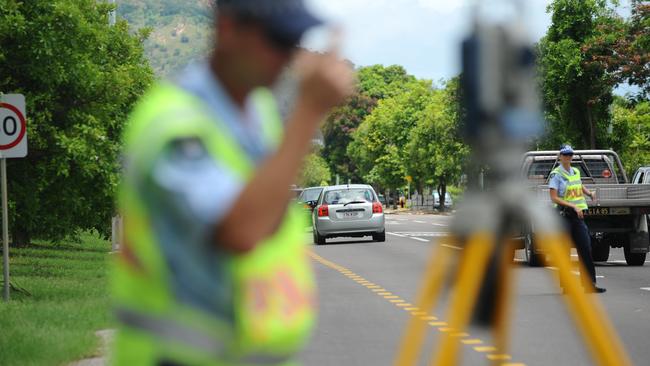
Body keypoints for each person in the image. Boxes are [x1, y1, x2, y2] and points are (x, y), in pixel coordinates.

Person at [111, 0, 354, 364]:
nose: (286, 55)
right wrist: (308, 113)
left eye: (294, 41)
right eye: (277, 39)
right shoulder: (176, 125)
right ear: (227, 30)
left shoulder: (258, 113)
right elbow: (240, 230)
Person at [548, 145, 606, 294]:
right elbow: (554, 198)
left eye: (570, 155)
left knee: (585, 248)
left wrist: (589, 193)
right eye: (565, 155)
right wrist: (573, 206)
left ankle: (589, 284)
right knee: (565, 251)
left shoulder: (575, 171)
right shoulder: (556, 175)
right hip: (563, 216)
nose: (568, 157)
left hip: (577, 217)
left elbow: (579, 185)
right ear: (560, 156)